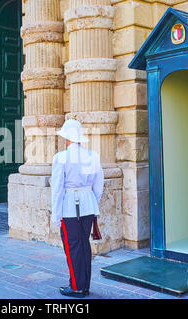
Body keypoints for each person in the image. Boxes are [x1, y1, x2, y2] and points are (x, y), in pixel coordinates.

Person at [51, 119, 104, 298]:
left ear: (67, 139)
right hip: (88, 206)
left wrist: (56, 214)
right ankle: (84, 284)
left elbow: (57, 190)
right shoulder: (93, 156)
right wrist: (90, 200)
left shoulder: (60, 158)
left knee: (73, 246)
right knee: (84, 245)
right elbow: (99, 185)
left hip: (69, 209)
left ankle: (76, 287)